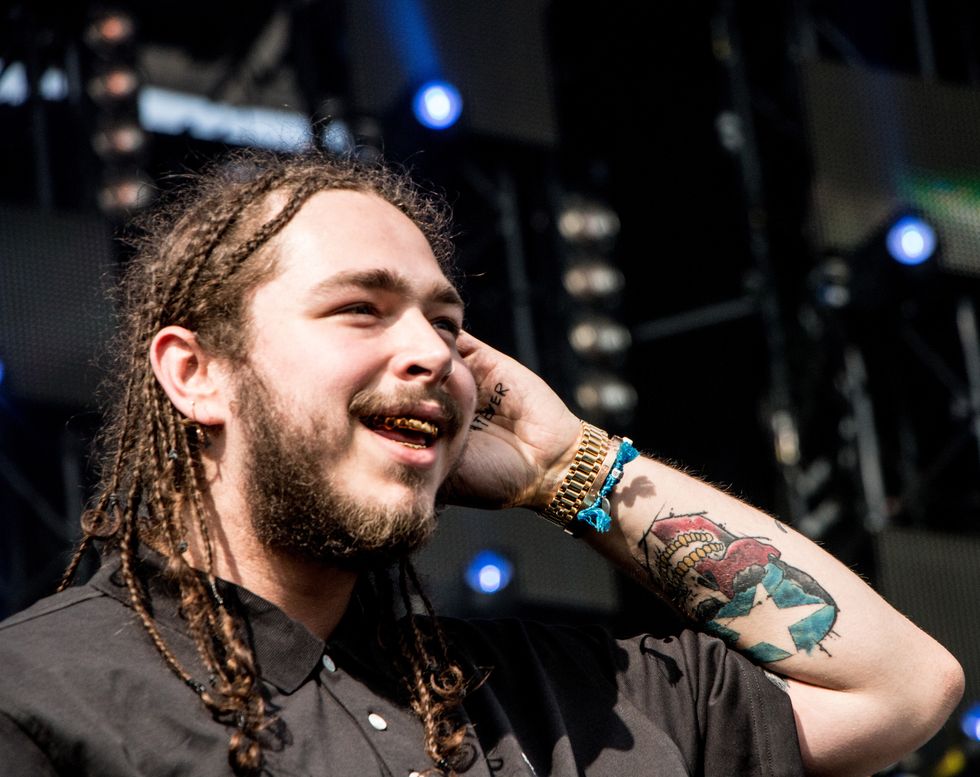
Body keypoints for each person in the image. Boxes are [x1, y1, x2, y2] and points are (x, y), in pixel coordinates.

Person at [0, 150, 963, 777]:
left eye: (447, 321)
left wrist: (571, 465)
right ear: (196, 372)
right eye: (361, 309)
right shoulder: (41, 694)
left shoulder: (566, 700)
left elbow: (903, 686)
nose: (432, 352)